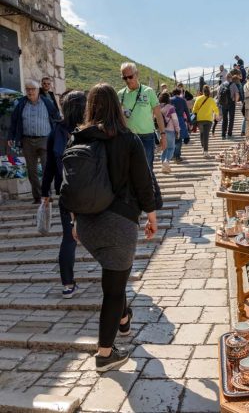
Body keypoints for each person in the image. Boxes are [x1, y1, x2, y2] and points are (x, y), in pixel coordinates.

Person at [70, 83, 157, 372]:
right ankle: (105, 354)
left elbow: (72, 185)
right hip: (118, 223)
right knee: (113, 290)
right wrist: (151, 214)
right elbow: (143, 181)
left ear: (90, 106)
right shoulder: (128, 139)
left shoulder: (78, 139)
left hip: (86, 225)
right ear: (117, 107)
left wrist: (73, 221)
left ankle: (123, 319)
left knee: (114, 281)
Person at [41, 91, 86, 298]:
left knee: (69, 239)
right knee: (102, 234)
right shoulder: (92, 130)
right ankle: (113, 281)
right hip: (94, 193)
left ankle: (67, 285)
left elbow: (49, 166)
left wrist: (45, 193)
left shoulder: (56, 132)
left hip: (67, 193)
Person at [9, 79, 61, 204]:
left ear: (38, 90)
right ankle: (37, 197)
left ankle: (46, 194)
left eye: (32, 89)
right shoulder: (21, 103)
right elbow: (14, 121)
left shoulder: (47, 102)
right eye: (27, 89)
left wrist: (59, 135)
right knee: (31, 171)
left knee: (46, 169)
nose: (30, 92)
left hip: (45, 139)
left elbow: (57, 118)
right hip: (27, 140)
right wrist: (11, 137)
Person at [118, 62, 166, 170]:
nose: (128, 80)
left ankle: (150, 187)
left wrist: (163, 135)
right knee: (129, 169)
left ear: (137, 74)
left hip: (146, 137)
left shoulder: (148, 92)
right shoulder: (120, 94)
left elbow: (158, 115)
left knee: (147, 169)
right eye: (124, 78)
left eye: (130, 76)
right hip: (127, 137)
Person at [192, 85, 220, 157]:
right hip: (208, 120)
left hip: (199, 119)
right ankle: (205, 151)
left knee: (202, 134)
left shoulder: (198, 99)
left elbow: (194, 110)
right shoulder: (211, 100)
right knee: (206, 135)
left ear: (203, 91)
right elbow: (215, 109)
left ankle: (203, 148)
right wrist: (217, 115)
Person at [159, 92, 180, 173]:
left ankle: (164, 166)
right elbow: (175, 120)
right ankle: (166, 161)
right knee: (171, 148)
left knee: (164, 148)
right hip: (170, 130)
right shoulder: (171, 108)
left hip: (160, 130)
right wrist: (178, 130)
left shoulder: (158, 107)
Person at [170, 88, 191, 163]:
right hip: (180, 120)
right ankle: (177, 156)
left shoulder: (170, 100)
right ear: (179, 93)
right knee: (179, 139)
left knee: (173, 138)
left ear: (173, 93)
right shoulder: (182, 100)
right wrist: (189, 121)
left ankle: (173, 155)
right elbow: (187, 111)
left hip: (171, 120)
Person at [218, 73, 239, 139]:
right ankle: (229, 133)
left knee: (224, 119)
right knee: (231, 118)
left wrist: (220, 102)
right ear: (231, 78)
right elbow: (237, 94)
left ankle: (223, 134)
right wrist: (235, 102)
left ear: (226, 77)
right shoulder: (233, 84)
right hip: (231, 103)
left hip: (224, 104)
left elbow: (218, 95)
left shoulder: (222, 85)